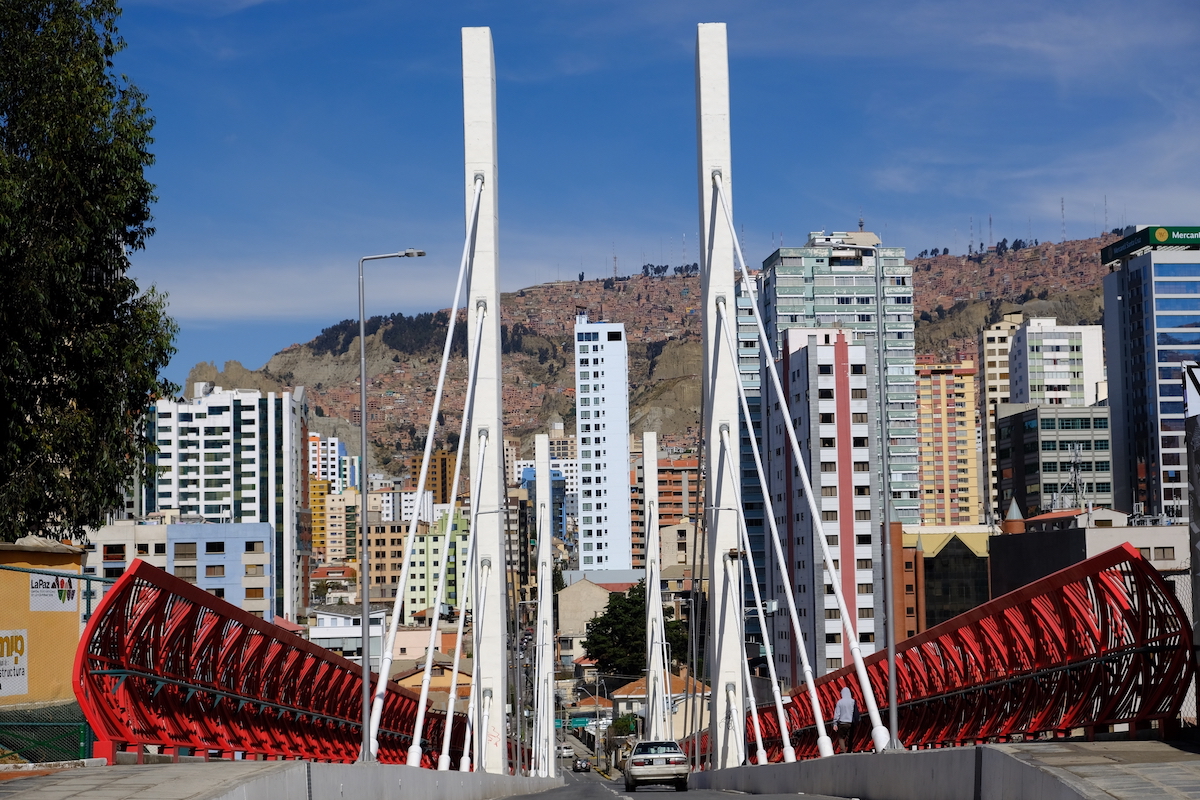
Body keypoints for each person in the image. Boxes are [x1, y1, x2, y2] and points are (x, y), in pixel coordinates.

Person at [832, 687, 856, 753]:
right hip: (851, 722)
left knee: (841, 737)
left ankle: (843, 750)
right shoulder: (853, 701)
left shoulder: (839, 702)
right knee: (850, 737)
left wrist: (835, 723)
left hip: (842, 722)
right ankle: (850, 749)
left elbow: (837, 714)